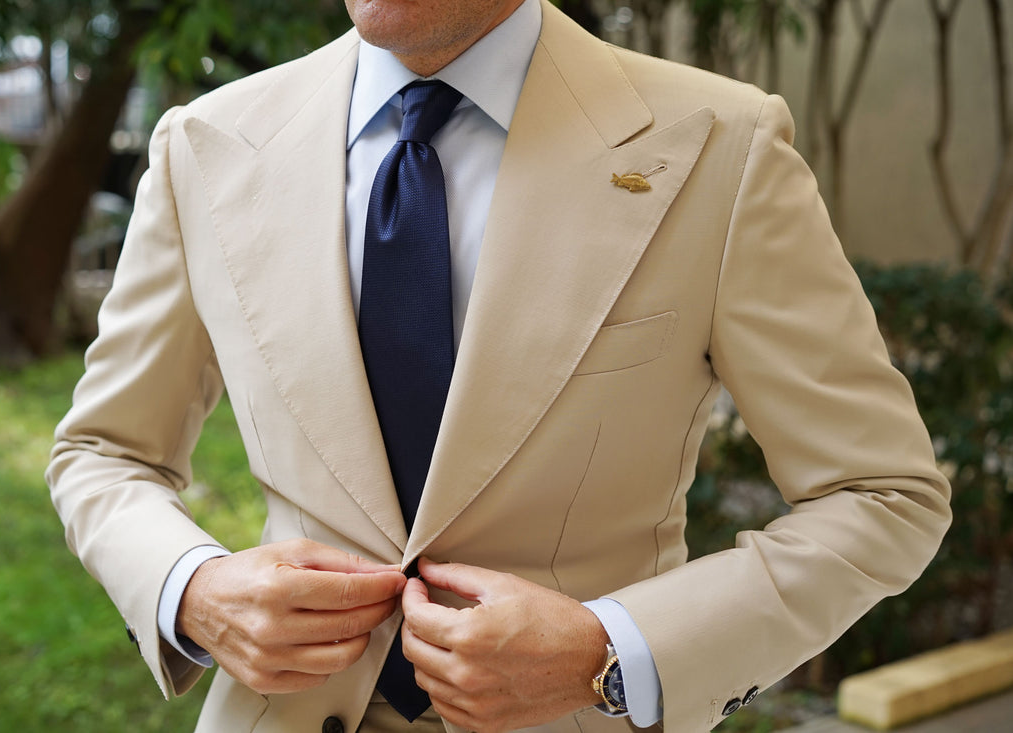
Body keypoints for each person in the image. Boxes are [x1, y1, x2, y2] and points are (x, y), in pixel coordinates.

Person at [46, 0, 952, 731]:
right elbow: (103, 452)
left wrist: (611, 649)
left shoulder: (723, 147)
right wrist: (192, 588)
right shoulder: (204, 146)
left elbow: (882, 494)